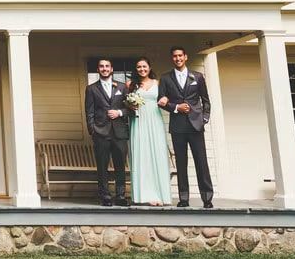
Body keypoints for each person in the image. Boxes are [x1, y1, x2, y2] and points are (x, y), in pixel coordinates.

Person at [158, 45, 214, 208]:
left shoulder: (197, 76)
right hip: (178, 126)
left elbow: (206, 100)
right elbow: (161, 101)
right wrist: (176, 107)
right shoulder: (166, 78)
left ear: (186, 57)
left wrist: (204, 118)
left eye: (180, 56)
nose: (178, 58)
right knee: (181, 163)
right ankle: (184, 198)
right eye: (175, 56)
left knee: (201, 162)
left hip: (196, 125)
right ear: (172, 58)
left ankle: (207, 198)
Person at [84, 58, 130, 207]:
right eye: (101, 66)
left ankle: (121, 195)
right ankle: (105, 196)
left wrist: (119, 113)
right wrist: (93, 130)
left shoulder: (122, 87)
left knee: (120, 165)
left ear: (111, 69)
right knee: (102, 167)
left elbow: (130, 107)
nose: (104, 69)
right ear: (98, 69)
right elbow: (89, 111)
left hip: (119, 132)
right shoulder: (91, 89)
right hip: (101, 132)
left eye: (107, 66)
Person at [126, 57, 170, 206]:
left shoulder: (158, 84)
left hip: (154, 121)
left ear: (149, 68)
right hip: (138, 122)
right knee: (141, 155)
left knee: (156, 155)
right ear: (136, 69)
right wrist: (130, 106)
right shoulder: (131, 85)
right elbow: (124, 103)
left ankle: (160, 195)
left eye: (144, 66)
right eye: (138, 67)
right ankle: (142, 195)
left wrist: (166, 101)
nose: (142, 69)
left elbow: (166, 100)